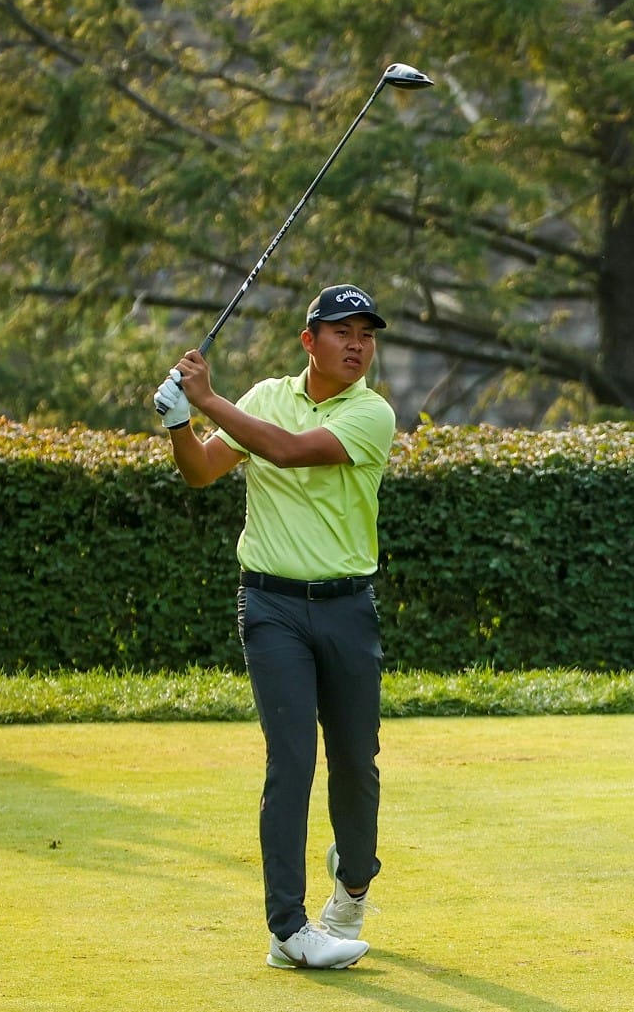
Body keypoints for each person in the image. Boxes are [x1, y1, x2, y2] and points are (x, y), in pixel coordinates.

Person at [153, 284, 397, 970]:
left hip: (347, 606)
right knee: (290, 758)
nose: (356, 344)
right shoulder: (262, 397)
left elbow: (289, 451)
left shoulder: (372, 413)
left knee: (355, 760)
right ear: (308, 340)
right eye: (342, 331)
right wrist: (179, 425)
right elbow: (202, 470)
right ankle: (288, 927)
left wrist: (203, 399)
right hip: (271, 607)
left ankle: (351, 885)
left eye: (367, 334)